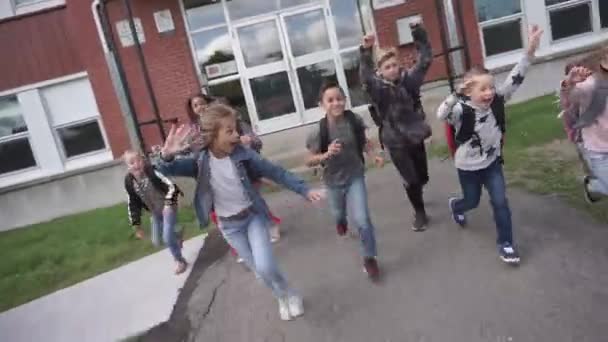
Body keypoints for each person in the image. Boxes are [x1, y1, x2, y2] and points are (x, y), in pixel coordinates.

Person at [155, 103, 325, 321]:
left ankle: (291, 294)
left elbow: (276, 172)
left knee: (265, 266)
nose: (236, 135)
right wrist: (166, 155)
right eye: (229, 131)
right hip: (229, 227)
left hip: (251, 218)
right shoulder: (200, 162)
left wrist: (304, 189)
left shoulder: (244, 155)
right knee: (258, 272)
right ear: (213, 136)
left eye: (235, 129)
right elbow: (167, 168)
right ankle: (281, 298)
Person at [436, 25, 544, 265]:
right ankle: (457, 205)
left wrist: (530, 50)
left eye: (491, 87)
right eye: (482, 89)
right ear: (469, 91)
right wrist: (455, 94)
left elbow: (518, 75)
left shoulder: (498, 101)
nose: (489, 93)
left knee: (499, 201)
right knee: (472, 201)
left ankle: (506, 243)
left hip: (493, 163)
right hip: (468, 167)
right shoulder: (460, 111)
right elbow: (440, 114)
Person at [305, 81, 384, 280]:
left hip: (355, 175)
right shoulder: (318, 131)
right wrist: (326, 154)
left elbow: (364, 141)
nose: (336, 103)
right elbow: (308, 160)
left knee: (363, 220)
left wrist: (374, 155)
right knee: (338, 213)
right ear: (322, 104)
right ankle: (341, 222)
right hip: (332, 181)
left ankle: (369, 258)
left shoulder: (354, 120)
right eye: (330, 100)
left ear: (345, 100)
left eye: (339, 99)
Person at [359, 22, 433, 231]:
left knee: (422, 177)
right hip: (395, 141)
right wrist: (365, 51)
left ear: (399, 66)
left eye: (394, 65)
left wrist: (418, 32)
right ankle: (420, 213)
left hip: (415, 136)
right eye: (387, 67)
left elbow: (425, 60)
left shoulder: (409, 80)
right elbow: (365, 78)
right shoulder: (378, 89)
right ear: (380, 71)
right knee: (411, 180)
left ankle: (418, 188)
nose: (392, 70)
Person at [186, 93, 281, 242]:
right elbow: (194, 152)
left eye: (202, 103)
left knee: (254, 199)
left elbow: (256, 142)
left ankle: (270, 224)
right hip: (218, 171)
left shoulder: (231, 122)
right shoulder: (195, 131)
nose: (200, 108)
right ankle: (249, 235)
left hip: (242, 167)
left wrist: (246, 141)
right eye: (195, 105)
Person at [123, 150, 188, 274]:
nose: (136, 164)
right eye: (132, 163)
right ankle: (178, 233)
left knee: (167, 237)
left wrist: (169, 204)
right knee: (156, 241)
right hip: (155, 213)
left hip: (168, 207)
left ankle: (179, 260)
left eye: (138, 161)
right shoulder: (129, 182)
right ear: (127, 167)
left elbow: (172, 187)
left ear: (143, 161)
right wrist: (137, 225)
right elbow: (132, 204)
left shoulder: (153, 172)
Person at [559, 48, 608, 203]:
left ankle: (595, 186)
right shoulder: (590, 85)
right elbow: (570, 97)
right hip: (598, 149)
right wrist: (569, 83)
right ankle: (592, 186)